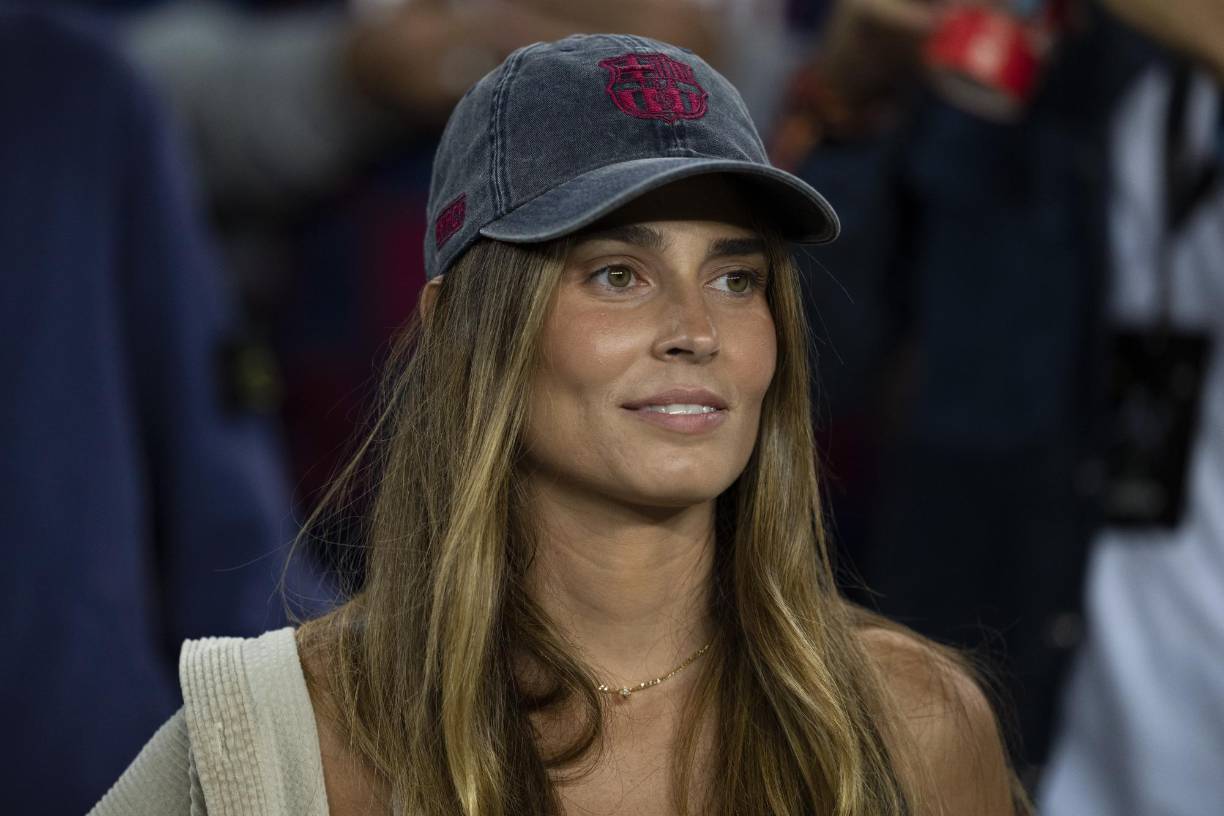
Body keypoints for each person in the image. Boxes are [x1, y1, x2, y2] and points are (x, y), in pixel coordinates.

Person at [90, 34, 1027, 815]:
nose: (697, 331)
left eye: (736, 279)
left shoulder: (913, 723)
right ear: (461, 328)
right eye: (618, 273)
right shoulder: (278, 735)